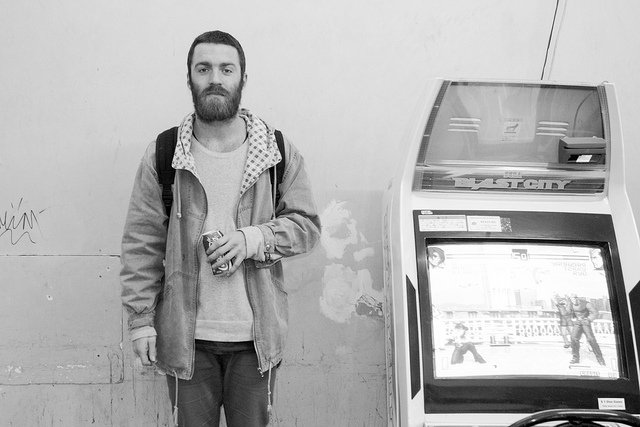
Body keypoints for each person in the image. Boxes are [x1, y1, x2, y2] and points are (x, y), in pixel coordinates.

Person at [120, 30, 321, 427]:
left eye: (226, 69)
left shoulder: (276, 152)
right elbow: (141, 245)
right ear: (189, 78)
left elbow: (307, 226)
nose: (215, 78)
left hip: (255, 340)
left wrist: (254, 238)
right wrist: (141, 321)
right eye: (204, 69)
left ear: (243, 78)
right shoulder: (165, 154)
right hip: (186, 341)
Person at [568, 294, 606, 366]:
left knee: (591, 339)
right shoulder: (570, 304)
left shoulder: (586, 304)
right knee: (573, 338)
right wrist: (573, 319)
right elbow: (568, 313)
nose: (573, 301)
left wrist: (589, 319)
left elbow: (595, 312)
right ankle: (575, 358)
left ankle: (600, 359)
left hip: (585, 323)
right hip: (577, 323)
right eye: (571, 299)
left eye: (574, 299)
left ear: (577, 298)